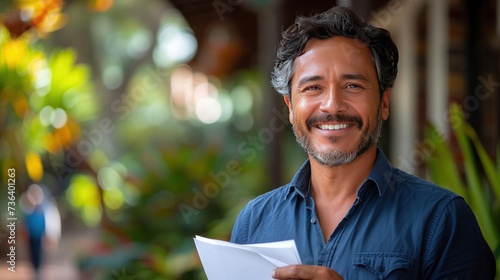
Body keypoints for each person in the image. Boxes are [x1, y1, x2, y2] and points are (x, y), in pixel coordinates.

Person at [230, 6, 496, 280]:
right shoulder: (253, 223)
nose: (332, 105)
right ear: (290, 107)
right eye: (313, 87)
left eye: (353, 86)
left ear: (383, 103)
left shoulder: (442, 220)